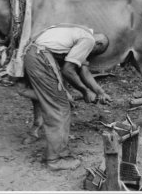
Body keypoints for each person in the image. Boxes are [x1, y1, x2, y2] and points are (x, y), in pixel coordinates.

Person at [23, 23, 112, 171]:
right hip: (40, 58)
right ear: (99, 43)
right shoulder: (88, 40)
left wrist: (100, 92)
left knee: (59, 105)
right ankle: (53, 160)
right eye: (95, 52)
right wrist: (84, 92)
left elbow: (84, 71)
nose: (89, 55)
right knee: (59, 108)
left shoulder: (79, 32)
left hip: (34, 55)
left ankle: (58, 151)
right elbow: (68, 70)